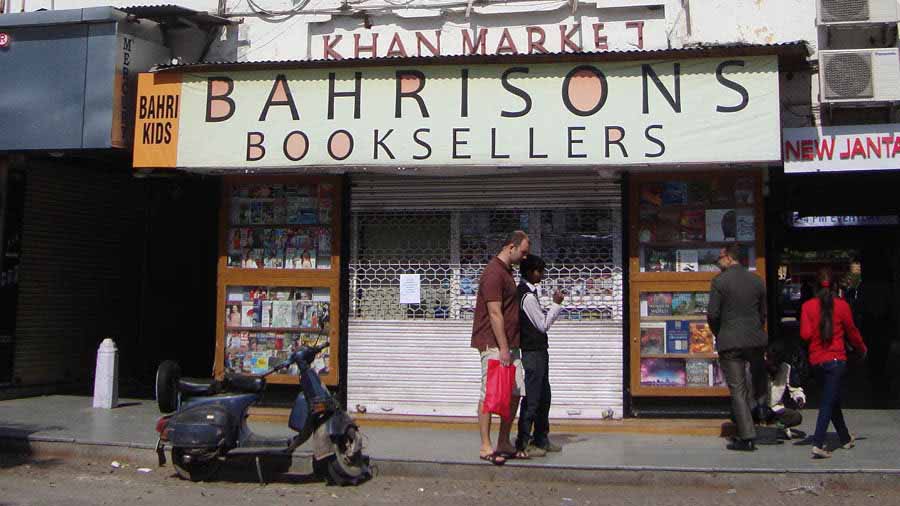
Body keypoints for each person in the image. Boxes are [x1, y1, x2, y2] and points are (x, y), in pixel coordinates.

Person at [471, 230, 530, 465]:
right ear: (510, 247)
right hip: (494, 344)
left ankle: (504, 441)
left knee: (515, 391)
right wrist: (503, 348)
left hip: (511, 344)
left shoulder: (507, 272)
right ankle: (486, 445)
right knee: (490, 393)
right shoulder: (493, 273)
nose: (525, 257)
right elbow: (495, 313)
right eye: (523, 252)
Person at [800, 267, 867, 459]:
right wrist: (862, 348)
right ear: (836, 285)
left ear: (814, 286)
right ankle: (818, 443)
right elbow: (852, 331)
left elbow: (804, 334)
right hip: (836, 360)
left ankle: (845, 438)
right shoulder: (842, 306)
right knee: (829, 401)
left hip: (816, 360)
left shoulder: (807, 307)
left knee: (832, 398)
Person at [707, 244, 768, 452]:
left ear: (729, 258)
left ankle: (747, 436)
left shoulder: (720, 281)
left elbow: (713, 314)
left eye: (720, 257)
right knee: (758, 381)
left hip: (730, 342)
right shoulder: (757, 280)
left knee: (738, 390)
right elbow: (762, 313)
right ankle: (762, 415)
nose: (718, 260)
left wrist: (720, 332)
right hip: (755, 340)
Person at [514, 255, 564, 457]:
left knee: (544, 396)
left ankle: (541, 438)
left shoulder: (531, 294)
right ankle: (523, 442)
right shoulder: (526, 297)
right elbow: (542, 325)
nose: (541, 275)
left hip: (539, 352)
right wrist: (556, 304)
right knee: (533, 398)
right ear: (529, 272)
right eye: (538, 271)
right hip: (532, 353)